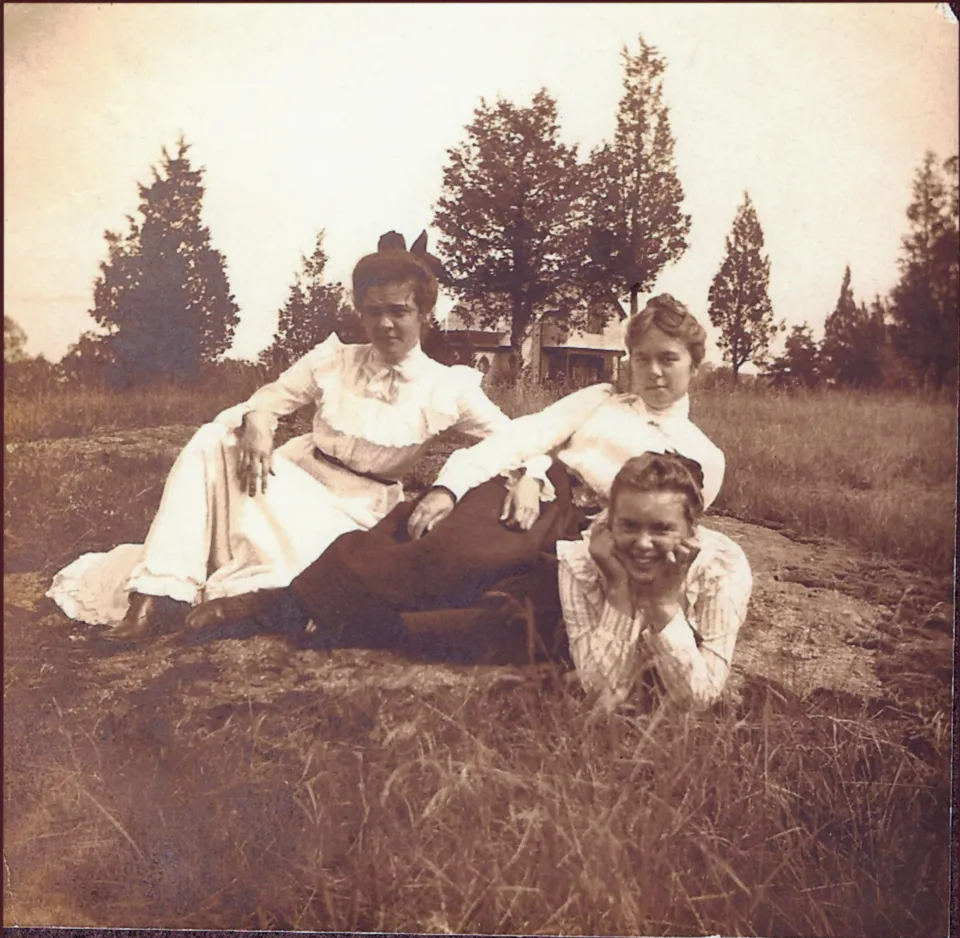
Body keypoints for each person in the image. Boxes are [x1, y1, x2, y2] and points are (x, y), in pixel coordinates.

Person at [47, 231, 544, 639]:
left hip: (353, 512)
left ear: (423, 313)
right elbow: (270, 397)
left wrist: (517, 478)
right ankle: (157, 596)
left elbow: (518, 437)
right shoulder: (334, 360)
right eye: (374, 311)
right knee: (210, 438)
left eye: (399, 310)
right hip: (297, 477)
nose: (386, 324)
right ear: (360, 312)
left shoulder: (448, 387)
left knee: (297, 566)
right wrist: (259, 422)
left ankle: (230, 596)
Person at [186, 294, 726, 654]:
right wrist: (454, 485)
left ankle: (354, 629)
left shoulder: (701, 454)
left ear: (694, 364)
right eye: (642, 358)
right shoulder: (603, 399)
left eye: (669, 359)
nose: (653, 371)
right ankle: (286, 604)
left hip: (604, 535)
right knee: (451, 544)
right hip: (542, 490)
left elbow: (674, 530)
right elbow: (523, 436)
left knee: (507, 604)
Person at [558, 452, 753, 713]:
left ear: (691, 530)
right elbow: (599, 690)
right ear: (609, 523)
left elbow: (698, 699)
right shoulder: (581, 561)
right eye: (628, 526)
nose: (642, 543)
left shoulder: (721, 566)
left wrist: (663, 603)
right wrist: (618, 589)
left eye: (661, 529)